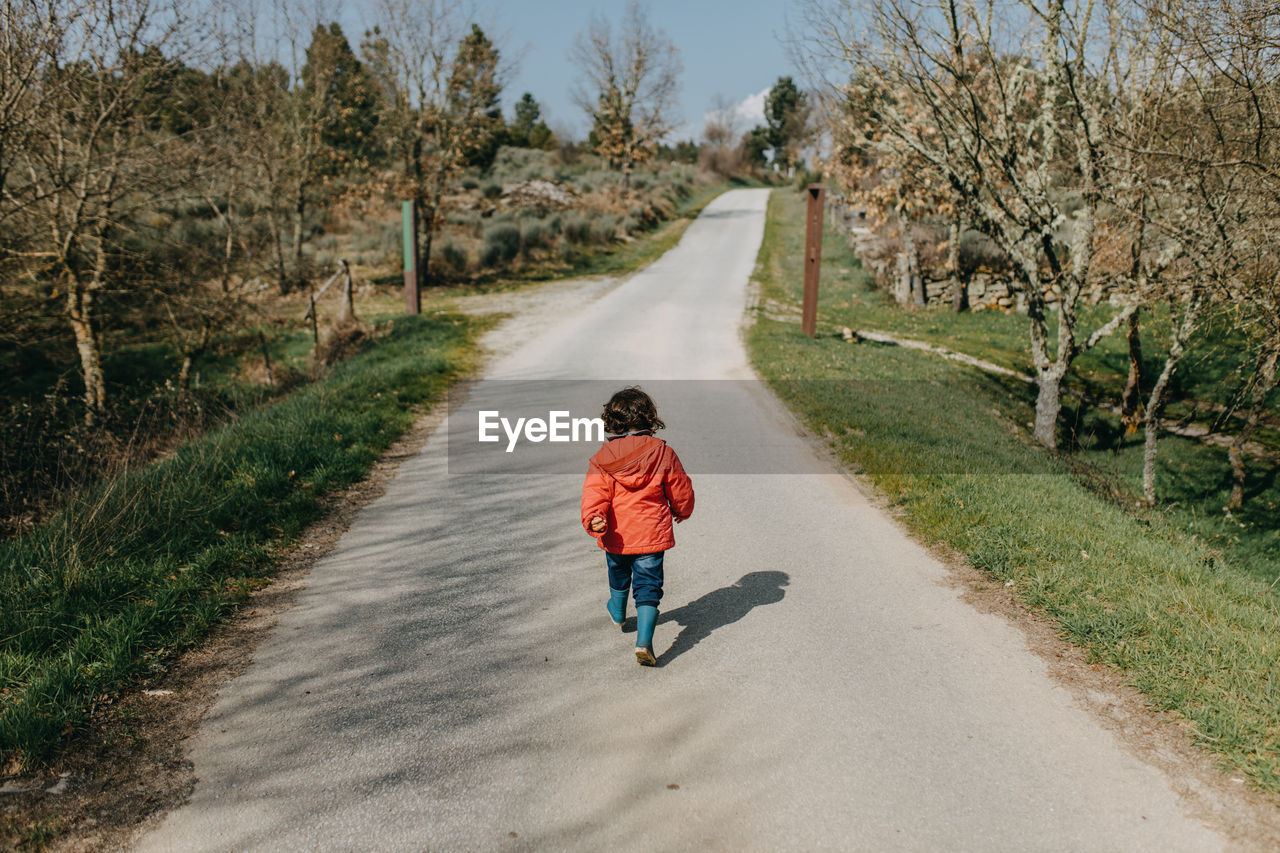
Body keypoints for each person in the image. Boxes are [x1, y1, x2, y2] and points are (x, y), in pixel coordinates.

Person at [581, 387, 695, 666]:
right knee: (648, 586)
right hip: (651, 535)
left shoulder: (603, 459)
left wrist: (595, 517)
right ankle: (644, 641)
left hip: (616, 535)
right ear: (649, 420)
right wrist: (682, 510)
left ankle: (618, 612)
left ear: (613, 422)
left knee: (618, 575)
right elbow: (680, 489)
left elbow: (594, 494)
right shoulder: (663, 454)